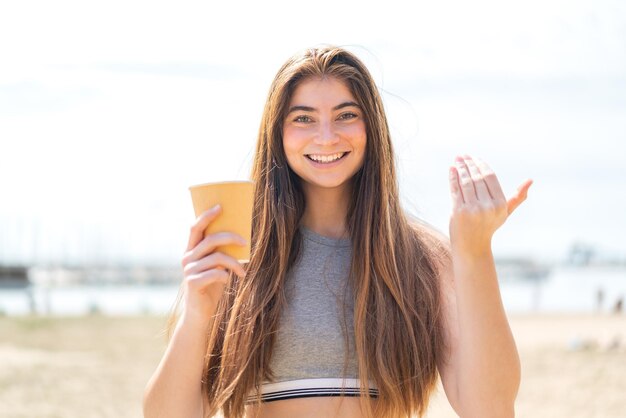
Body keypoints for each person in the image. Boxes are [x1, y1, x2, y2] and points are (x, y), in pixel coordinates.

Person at [143, 46, 532, 418]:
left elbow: (492, 410)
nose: (326, 136)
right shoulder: (242, 249)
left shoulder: (422, 258)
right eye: (303, 118)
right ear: (277, 133)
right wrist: (197, 312)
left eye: (346, 115)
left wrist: (475, 253)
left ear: (372, 127)